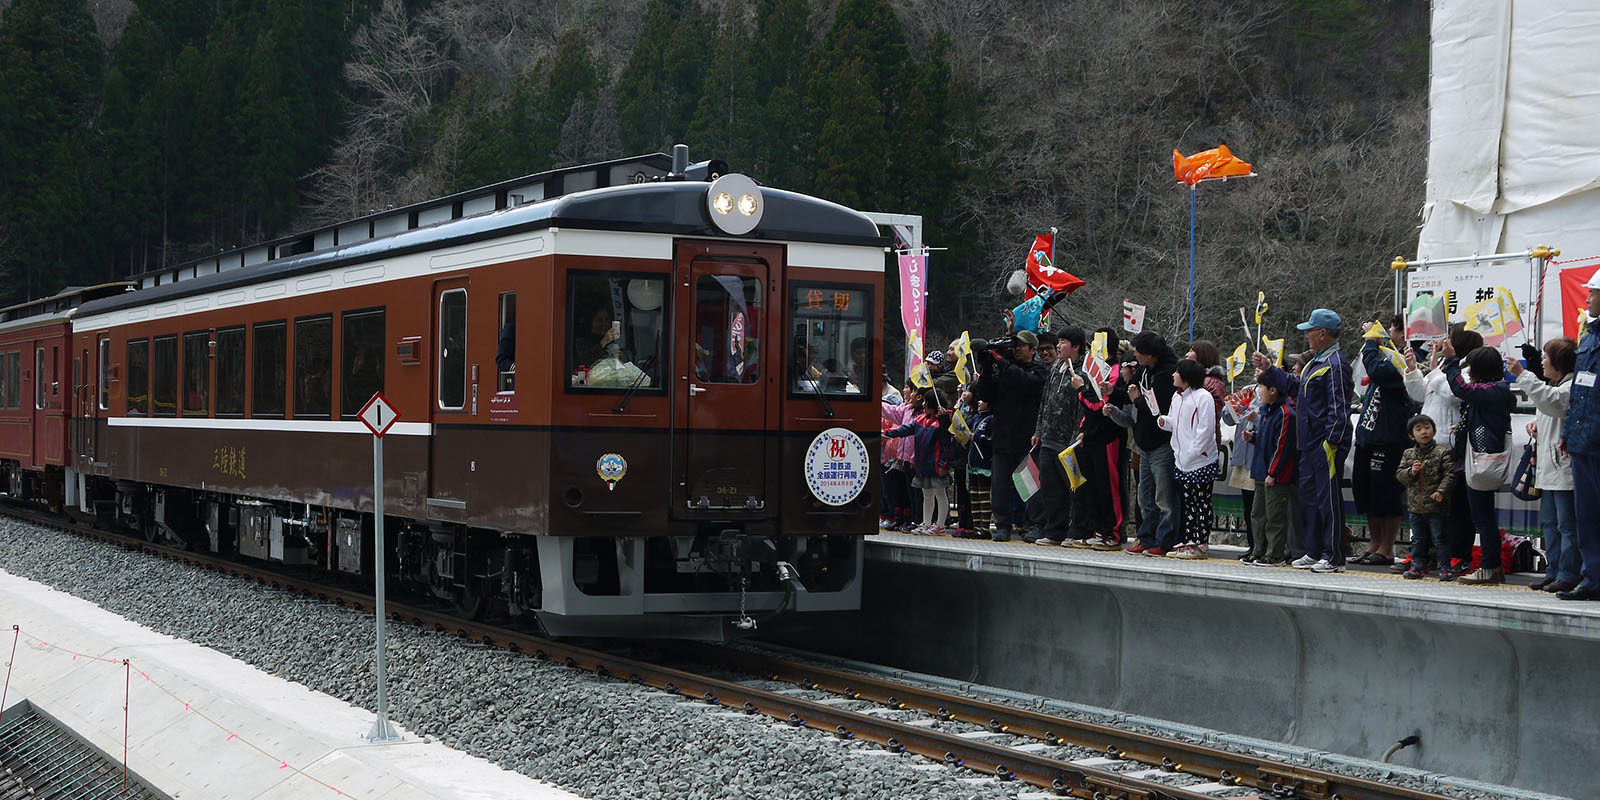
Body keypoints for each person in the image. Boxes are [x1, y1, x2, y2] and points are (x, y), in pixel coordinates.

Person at [1255, 308, 1353, 574]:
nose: (1307, 335)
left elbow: (1339, 406)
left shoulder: (1335, 364)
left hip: (1324, 443)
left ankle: (1334, 556)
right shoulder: (1315, 362)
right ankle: (1314, 550)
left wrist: (1331, 442)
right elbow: (1295, 385)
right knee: (1309, 499)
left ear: (1323, 333)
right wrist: (1269, 369)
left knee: (1327, 499)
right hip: (1308, 443)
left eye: (1310, 331)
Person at [1399, 325, 1481, 574]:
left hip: (1450, 446)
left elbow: (1455, 394)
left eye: (1450, 340)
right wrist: (1413, 370)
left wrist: (1435, 370)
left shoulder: (1467, 370)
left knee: (1454, 505)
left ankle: (1458, 555)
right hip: (1428, 447)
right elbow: (1419, 392)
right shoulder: (1445, 368)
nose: (1444, 343)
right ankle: (1422, 554)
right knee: (1425, 505)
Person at [1439, 342, 1514, 584]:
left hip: (1480, 460)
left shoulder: (1491, 390)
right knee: (1482, 516)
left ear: (1481, 368)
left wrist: (1451, 360)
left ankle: (1490, 568)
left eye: (1471, 367)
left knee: (1483, 518)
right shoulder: (1494, 391)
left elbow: (1460, 389)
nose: (1468, 372)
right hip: (1474, 458)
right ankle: (1490, 567)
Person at [1511, 338, 1578, 592]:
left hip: (1562, 465)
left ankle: (1568, 573)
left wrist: (1522, 374)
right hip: (1549, 465)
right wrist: (1538, 425)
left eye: (1546, 357)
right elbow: (1548, 404)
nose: (1542, 361)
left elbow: (1552, 400)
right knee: (1550, 523)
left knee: (1567, 525)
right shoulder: (1557, 384)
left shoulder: (1570, 386)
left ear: (1559, 362)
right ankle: (1554, 571)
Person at [1350, 321, 1412, 566]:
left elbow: (1377, 370)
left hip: (1389, 438)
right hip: (1368, 434)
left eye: (1393, 330)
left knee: (1387, 494)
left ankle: (1387, 548)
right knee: (1365, 491)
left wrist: (1370, 341)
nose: (1389, 334)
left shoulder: (1407, 361)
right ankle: (1374, 544)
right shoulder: (1386, 355)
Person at [1067, 327, 1130, 550]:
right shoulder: (1095, 368)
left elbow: (1100, 403)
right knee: (1092, 486)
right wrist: (1084, 428)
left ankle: (1112, 532)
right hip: (1092, 435)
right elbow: (1089, 411)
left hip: (1109, 436)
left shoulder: (1113, 370)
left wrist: (1081, 389)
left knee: (1109, 486)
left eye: (1096, 342)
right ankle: (1095, 530)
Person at [986, 330, 1047, 541]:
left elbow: (1026, 382)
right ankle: (1003, 524)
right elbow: (985, 394)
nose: (1016, 349)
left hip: (1026, 438)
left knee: (1030, 485)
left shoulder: (1038, 370)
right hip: (1002, 436)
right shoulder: (1004, 369)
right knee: (1000, 485)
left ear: (1032, 349)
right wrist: (986, 364)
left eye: (1021, 346)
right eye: (1015, 345)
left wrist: (1001, 361)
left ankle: (1035, 524)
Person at [1560, 273, 1600, 600]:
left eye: (1593, 294)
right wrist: (1567, 430)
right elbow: (1578, 389)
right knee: (1586, 515)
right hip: (1583, 440)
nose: (1587, 300)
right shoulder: (1588, 337)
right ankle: (1592, 580)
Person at [1157, 358, 1221, 558]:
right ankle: (1188, 539)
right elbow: (1176, 423)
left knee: (1201, 502)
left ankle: (1200, 543)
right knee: (1188, 503)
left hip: (1201, 460)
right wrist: (1164, 422)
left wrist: (1194, 452)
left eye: (1177, 372)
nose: (1173, 375)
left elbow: (1206, 428)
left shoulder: (1203, 397)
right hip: (1182, 460)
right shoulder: (1177, 398)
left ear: (1186, 377)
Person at [1124, 332, 1179, 555]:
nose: (1134, 355)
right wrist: (1115, 392)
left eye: (1138, 352)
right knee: (1145, 496)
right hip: (1144, 442)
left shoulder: (1167, 373)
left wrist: (1136, 399)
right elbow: (1131, 393)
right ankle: (1146, 538)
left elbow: (1156, 408)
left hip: (1161, 442)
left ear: (1150, 355)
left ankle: (1164, 541)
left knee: (1164, 497)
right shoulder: (1146, 369)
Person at [1031, 327, 1086, 545]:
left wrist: (1077, 436)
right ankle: (1054, 530)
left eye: (1063, 342)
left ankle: (1077, 531)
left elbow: (1083, 405)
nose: (1058, 346)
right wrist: (1038, 430)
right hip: (1048, 436)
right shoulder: (1055, 367)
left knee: (1074, 487)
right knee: (1051, 487)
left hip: (1069, 441)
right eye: (1059, 341)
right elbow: (1045, 400)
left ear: (1076, 346)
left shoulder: (1083, 370)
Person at [882, 387, 954, 534]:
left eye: (926, 402)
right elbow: (906, 429)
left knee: (939, 493)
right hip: (923, 464)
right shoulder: (921, 419)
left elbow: (946, 445)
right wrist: (888, 433)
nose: (923, 405)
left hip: (936, 464)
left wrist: (943, 464)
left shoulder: (943, 422)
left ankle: (940, 525)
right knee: (926, 494)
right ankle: (926, 523)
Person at [1243, 374, 1294, 566]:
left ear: (1274, 390)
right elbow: (1265, 438)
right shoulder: (1266, 410)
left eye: (1261, 387)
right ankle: (1259, 550)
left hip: (1276, 475)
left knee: (1275, 516)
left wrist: (1273, 472)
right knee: (1258, 514)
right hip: (1261, 470)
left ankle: (1275, 553)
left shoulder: (1285, 413)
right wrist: (1253, 437)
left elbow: (1282, 446)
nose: (1258, 391)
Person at [1395, 414, 1455, 579]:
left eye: (1427, 427)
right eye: (1418, 429)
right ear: (1411, 435)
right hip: (1415, 506)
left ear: (1434, 431)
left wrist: (1441, 491)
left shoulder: (1442, 452)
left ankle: (1445, 568)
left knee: (1440, 538)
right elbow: (1400, 475)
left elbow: (1450, 475)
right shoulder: (1408, 454)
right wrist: (1411, 472)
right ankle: (1417, 566)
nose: (1424, 432)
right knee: (1418, 539)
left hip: (1437, 506)